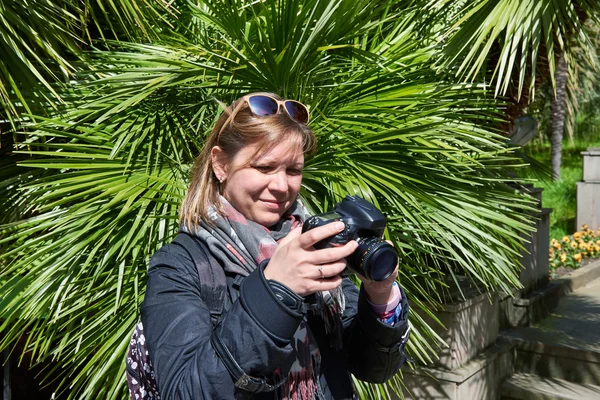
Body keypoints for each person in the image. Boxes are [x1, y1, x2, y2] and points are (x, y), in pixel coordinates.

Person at [140, 93, 410, 400]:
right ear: (220, 164)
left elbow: (372, 369)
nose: (282, 186)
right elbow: (184, 391)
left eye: (293, 171)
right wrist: (275, 289)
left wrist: (380, 298)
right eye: (264, 167)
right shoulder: (179, 265)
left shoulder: (311, 238)